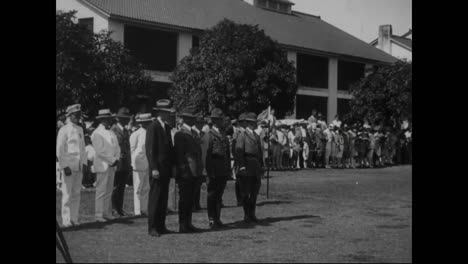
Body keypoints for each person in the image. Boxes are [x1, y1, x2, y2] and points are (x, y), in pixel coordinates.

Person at [146, 99, 176, 237]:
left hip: (166, 168)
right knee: (155, 198)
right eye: (167, 112)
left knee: (163, 198)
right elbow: (151, 149)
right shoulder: (153, 127)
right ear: (160, 112)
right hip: (157, 168)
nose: (169, 115)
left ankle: (161, 225)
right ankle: (152, 227)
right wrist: (153, 168)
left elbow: (170, 149)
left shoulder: (166, 127)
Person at [56, 104, 87, 227]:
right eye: (75, 115)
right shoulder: (64, 130)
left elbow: (83, 148)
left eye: (79, 115)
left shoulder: (80, 129)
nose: (78, 117)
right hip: (69, 166)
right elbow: (59, 150)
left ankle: (75, 218)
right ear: (69, 116)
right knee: (67, 194)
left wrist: (84, 163)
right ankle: (66, 220)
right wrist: (64, 166)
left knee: (76, 193)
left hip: (78, 166)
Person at [174, 107, 203, 233]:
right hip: (186, 171)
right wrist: (183, 171)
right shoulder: (181, 134)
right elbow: (180, 155)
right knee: (184, 199)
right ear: (186, 119)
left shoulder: (193, 132)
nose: (194, 121)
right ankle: (182, 224)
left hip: (194, 170)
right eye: (191, 118)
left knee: (190, 198)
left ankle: (188, 222)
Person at [91, 109, 121, 222]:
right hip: (103, 164)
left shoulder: (111, 132)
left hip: (112, 165)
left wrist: (117, 158)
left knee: (109, 190)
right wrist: (112, 160)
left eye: (110, 119)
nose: (110, 121)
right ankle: (98, 214)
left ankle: (107, 212)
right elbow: (100, 151)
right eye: (108, 119)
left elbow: (117, 147)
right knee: (101, 190)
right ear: (102, 119)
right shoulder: (96, 133)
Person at [235, 112, 263, 223]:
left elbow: (259, 152)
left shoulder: (256, 136)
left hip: (255, 165)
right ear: (251, 123)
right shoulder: (242, 135)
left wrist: (262, 165)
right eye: (255, 122)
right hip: (246, 164)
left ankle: (252, 213)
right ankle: (247, 214)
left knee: (255, 191)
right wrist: (241, 166)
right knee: (246, 192)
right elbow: (239, 151)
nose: (256, 124)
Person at [205, 108, 231, 229]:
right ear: (214, 121)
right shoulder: (210, 135)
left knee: (219, 195)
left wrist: (228, 168)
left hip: (223, 168)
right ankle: (211, 218)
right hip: (214, 168)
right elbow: (207, 155)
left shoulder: (223, 133)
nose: (222, 122)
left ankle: (217, 218)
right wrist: (209, 171)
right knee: (212, 195)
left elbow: (227, 152)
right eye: (220, 120)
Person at [111, 107, 132, 217]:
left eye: (127, 118)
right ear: (119, 119)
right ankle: (114, 208)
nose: (127, 120)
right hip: (118, 162)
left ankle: (120, 208)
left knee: (122, 186)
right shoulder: (114, 129)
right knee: (116, 186)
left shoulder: (125, 130)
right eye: (124, 118)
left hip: (125, 162)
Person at [129, 113, 152, 217]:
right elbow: (132, 149)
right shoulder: (136, 134)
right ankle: (137, 210)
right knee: (138, 188)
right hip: (138, 164)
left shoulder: (150, 132)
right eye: (146, 122)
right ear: (142, 123)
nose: (148, 124)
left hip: (148, 163)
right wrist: (134, 163)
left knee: (146, 187)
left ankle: (144, 208)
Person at [192, 114, 206, 211]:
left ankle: (196, 204)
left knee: (198, 184)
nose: (201, 125)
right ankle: (193, 204)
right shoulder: (192, 133)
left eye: (202, 123)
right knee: (193, 185)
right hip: (194, 161)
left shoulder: (202, 133)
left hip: (200, 161)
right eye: (199, 123)